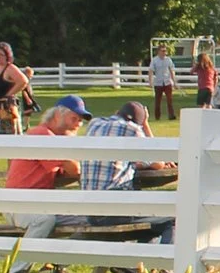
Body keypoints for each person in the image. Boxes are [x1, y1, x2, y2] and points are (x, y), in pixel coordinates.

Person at [73, 102, 174, 241]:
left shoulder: (95, 124)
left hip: (91, 211)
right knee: (170, 217)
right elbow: (158, 162)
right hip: (116, 210)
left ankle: (142, 254)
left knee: (148, 222)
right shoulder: (132, 129)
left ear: (117, 112)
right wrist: (145, 125)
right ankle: (165, 255)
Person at [0, 44, 32, 131]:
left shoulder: (10, 68)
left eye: (1, 55)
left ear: (7, 56)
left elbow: (23, 81)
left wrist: (8, 95)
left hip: (6, 109)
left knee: (8, 135)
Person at [148, 43, 177, 122]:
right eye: (163, 51)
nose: (164, 52)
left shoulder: (168, 60)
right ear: (159, 51)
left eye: (165, 51)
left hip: (167, 82)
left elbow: (171, 71)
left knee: (169, 100)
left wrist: (174, 82)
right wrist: (150, 81)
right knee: (158, 101)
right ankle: (157, 116)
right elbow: (151, 71)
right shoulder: (154, 60)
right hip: (158, 83)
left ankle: (171, 115)